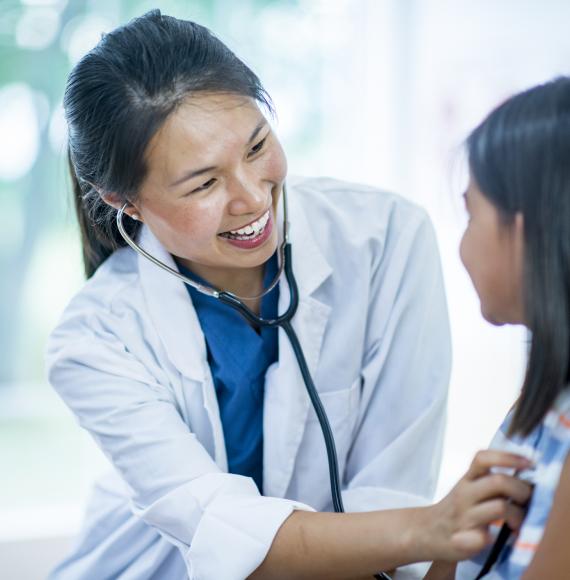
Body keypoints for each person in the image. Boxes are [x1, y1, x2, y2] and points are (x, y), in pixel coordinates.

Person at [47, 10, 531, 580]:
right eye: (204, 183)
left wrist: (428, 530)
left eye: (256, 147)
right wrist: (432, 528)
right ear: (127, 203)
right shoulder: (94, 338)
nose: (252, 198)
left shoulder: (386, 239)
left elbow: (389, 490)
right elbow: (223, 538)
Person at [427, 78, 570, 579]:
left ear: (525, 230)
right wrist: (448, 537)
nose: (463, 246)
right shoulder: (538, 412)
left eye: (471, 214)